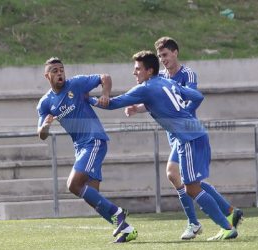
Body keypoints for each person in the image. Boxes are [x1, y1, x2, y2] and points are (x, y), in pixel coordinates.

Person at [87, 50, 241, 241]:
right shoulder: (168, 81)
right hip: (195, 134)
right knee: (192, 185)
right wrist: (183, 115)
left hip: (189, 139)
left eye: (137, 69)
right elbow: (197, 97)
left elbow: (111, 104)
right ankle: (226, 219)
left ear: (150, 71)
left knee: (192, 188)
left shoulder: (145, 88)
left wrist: (87, 99)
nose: (134, 73)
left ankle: (226, 227)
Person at [36, 57, 138, 244]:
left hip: (94, 141)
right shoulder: (45, 103)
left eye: (61, 69)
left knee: (73, 185)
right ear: (47, 76)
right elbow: (41, 134)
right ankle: (127, 230)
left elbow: (104, 77)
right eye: (55, 71)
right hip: (81, 147)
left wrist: (106, 94)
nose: (60, 73)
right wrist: (45, 126)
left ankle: (118, 213)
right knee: (92, 196)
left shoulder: (76, 84)